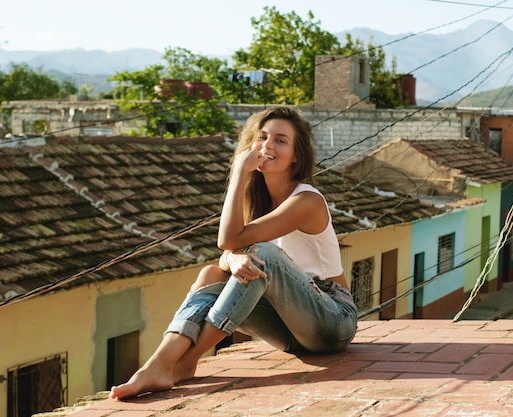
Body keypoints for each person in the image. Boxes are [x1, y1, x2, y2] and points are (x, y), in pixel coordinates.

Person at [110, 106, 358, 399]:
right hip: (292, 331)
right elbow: (227, 251)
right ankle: (160, 363)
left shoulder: (305, 200)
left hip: (333, 320)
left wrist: (239, 171)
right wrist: (232, 256)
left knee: (259, 258)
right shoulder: (261, 202)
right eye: (262, 137)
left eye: (280, 140)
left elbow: (227, 238)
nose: (267, 145)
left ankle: (187, 359)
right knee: (211, 273)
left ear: (297, 156)